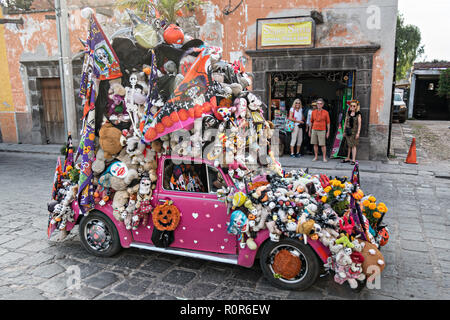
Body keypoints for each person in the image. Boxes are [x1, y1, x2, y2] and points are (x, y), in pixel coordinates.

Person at [309, 98, 330, 162]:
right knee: (315, 144)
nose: (319, 105)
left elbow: (328, 123)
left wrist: (328, 132)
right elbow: (311, 122)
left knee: (323, 144)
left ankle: (324, 157)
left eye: (320, 104)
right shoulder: (313, 112)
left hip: (322, 130)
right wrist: (310, 130)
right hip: (314, 129)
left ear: (323, 105)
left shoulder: (326, 112)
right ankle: (316, 157)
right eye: (317, 103)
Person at [342, 100, 362, 165]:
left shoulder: (358, 114)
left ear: (356, 107)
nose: (352, 107)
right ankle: (348, 158)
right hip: (348, 131)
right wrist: (344, 131)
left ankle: (353, 159)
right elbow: (345, 122)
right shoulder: (348, 113)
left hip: (354, 132)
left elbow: (359, 124)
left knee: (353, 145)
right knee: (348, 145)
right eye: (351, 106)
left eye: (354, 106)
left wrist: (358, 133)